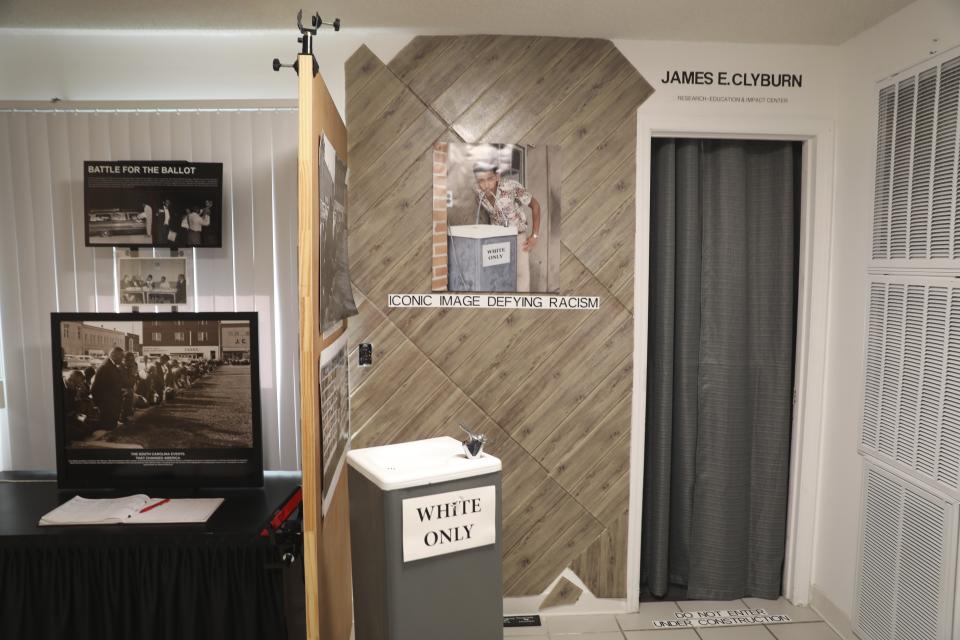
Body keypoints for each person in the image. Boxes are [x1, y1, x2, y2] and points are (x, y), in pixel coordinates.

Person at [472, 159, 541, 292]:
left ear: (497, 176)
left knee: (521, 279)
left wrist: (535, 236)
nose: (486, 185)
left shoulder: (511, 186)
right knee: (500, 279)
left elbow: (535, 206)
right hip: (497, 240)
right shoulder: (477, 190)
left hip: (518, 237)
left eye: (490, 179)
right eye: (481, 180)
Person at [91, 347, 125, 431]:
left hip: (112, 404)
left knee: (111, 428)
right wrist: (100, 404)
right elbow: (96, 388)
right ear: (114, 355)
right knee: (108, 429)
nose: (122, 359)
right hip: (107, 406)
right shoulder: (105, 367)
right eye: (121, 356)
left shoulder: (111, 366)